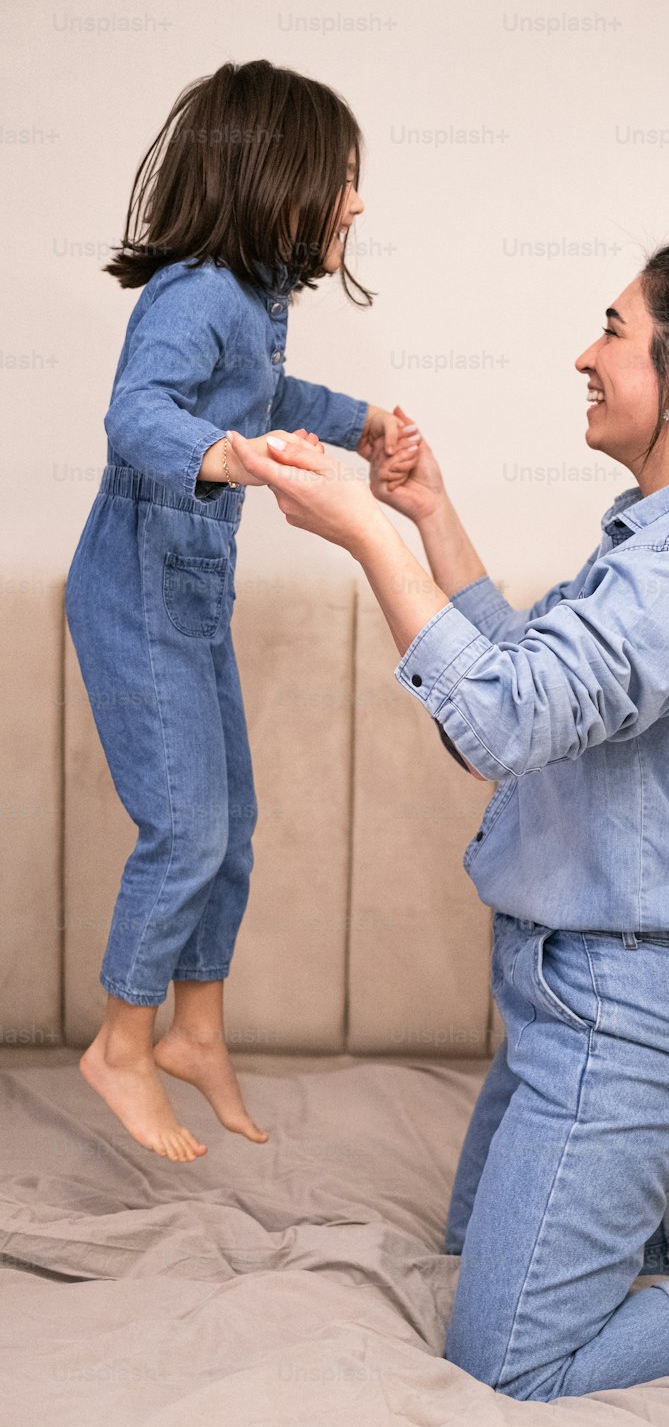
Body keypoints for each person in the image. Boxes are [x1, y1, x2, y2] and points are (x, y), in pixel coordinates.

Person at [228, 237, 669, 1399]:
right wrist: (428, 515)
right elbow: (539, 677)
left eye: (612, 330)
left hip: (625, 1012)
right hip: (566, 984)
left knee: (510, 1358)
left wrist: (362, 536)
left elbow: (504, 724)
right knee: (479, 1253)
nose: (585, 353)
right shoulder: (665, 538)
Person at [64, 60, 418, 1162]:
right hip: (133, 595)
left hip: (189, 595)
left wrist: (361, 421)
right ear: (277, 179)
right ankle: (121, 1042)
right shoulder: (195, 294)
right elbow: (135, 414)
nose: (357, 203)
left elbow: (265, 399)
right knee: (186, 830)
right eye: (343, 178)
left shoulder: (253, 305)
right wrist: (218, 452)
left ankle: (195, 1032)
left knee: (235, 829)